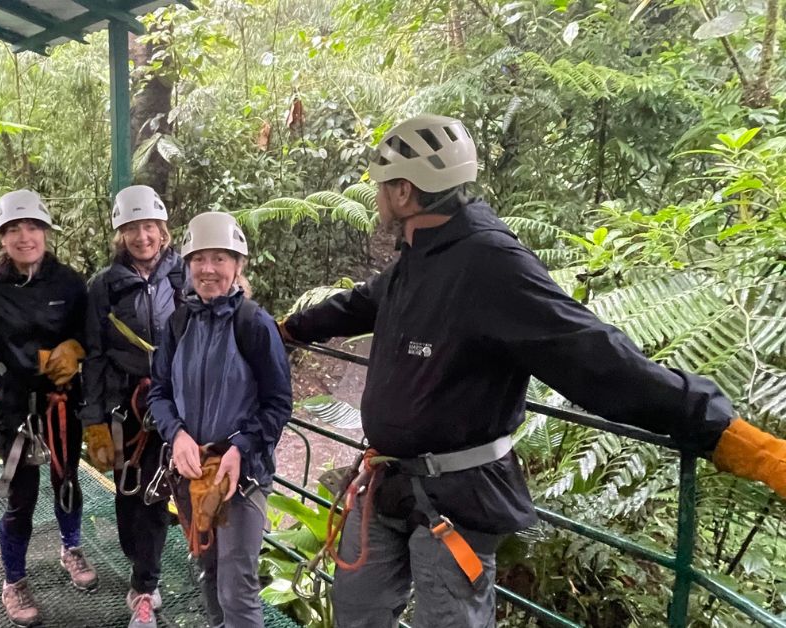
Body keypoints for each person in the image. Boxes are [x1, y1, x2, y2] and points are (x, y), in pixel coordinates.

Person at [277, 114, 786, 627]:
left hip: (456, 498)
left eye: (383, 187)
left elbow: (597, 356)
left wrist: (726, 434)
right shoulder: (420, 254)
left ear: (405, 192)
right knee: (355, 613)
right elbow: (363, 302)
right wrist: (287, 330)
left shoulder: (491, 263)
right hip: (390, 483)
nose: (378, 198)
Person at [0, 189, 96, 627]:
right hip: (14, 404)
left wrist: (76, 350)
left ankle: (71, 547)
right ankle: (14, 580)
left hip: (62, 398)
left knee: (67, 479)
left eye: (32, 227)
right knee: (20, 497)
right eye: (13, 230)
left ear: (45, 232)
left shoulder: (68, 282)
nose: (24, 237)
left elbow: (91, 332)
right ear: (2, 238)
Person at [147, 211, 293, 628]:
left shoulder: (254, 325)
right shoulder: (178, 324)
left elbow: (279, 403)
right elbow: (159, 392)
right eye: (199, 259)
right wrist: (175, 435)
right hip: (192, 471)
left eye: (220, 259)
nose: (208, 269)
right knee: (208, 571)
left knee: (237, 584)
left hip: (241, 475)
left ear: (237, 266)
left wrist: (240, 449)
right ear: (188, 265)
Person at [80, 185, 187, 628]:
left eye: (149, 227)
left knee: (158, 493)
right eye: (132, 229)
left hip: (173, 399)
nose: (143, 237)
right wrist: (94, 418)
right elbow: (93, 353)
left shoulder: (184, 276)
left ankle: (145, 584)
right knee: (128, 495)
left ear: (162, 230)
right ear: (120, 235)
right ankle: (138, 561)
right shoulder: (104, 287)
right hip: (125, 404)